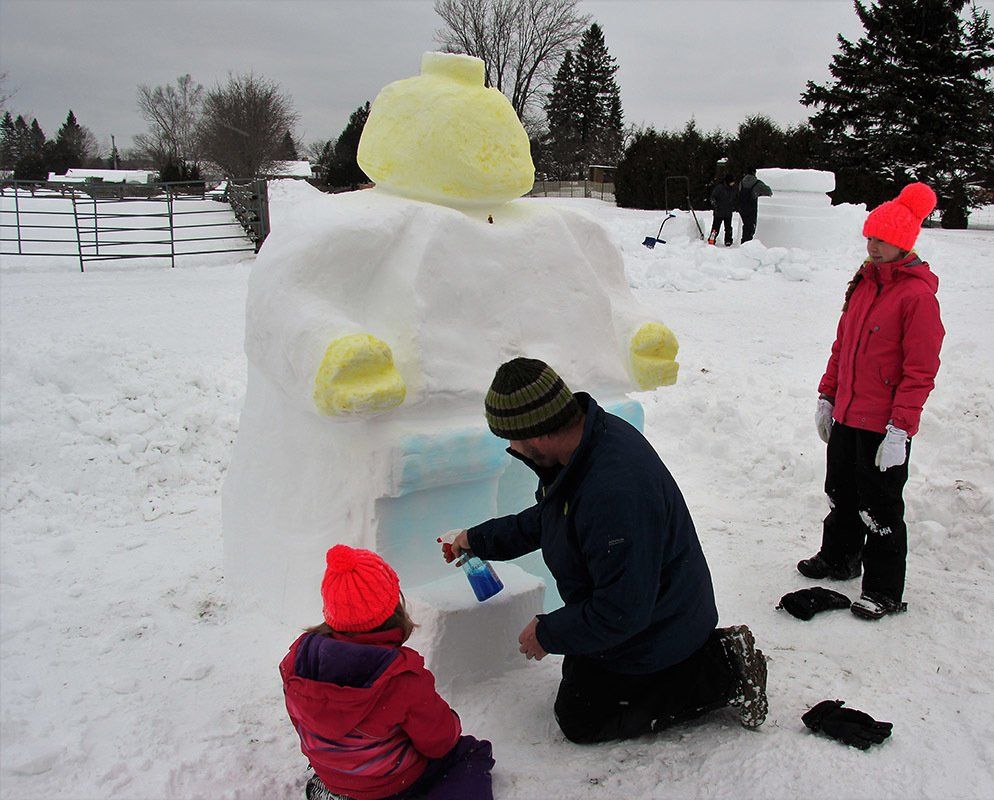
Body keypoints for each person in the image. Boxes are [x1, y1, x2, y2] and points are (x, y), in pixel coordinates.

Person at [444, 357, 767, 743]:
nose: (512, 449)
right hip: (646, 606)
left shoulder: (612, 491)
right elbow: (552, 520)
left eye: (512, 439)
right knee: (582, 676)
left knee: (582, 717)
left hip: (659, 623)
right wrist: (476, 539)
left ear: (537, 434)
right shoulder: (585, 446)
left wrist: (549, 633)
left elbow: (622, 610)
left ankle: (724, 669)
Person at [798, 182, 944, 621]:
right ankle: (840, 558)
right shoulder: (863, 284)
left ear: (904, 242)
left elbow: (920, 371)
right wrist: (828, 396)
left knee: (879, 509)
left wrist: (901, 429)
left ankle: (883, 590)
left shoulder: (917, 297)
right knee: (841, 493)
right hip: (848, 414)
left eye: (882, 239)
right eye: (870, 237)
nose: (873, 246)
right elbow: (842, 346)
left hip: (884, 425)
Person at [281, 544, 495, 800]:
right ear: (392, 608)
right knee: (471, 752)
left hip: (332, 773)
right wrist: (451, 721)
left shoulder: (298, 658)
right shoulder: (401, 677)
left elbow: (304, 723)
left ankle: (338, 790)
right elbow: (440, 742)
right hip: (389, 784)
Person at [736, 168, 773, 243]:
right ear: (754, 173)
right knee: (751, 227)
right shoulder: (757, 183)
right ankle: (748, 242)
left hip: (742, 207)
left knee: (746, 225)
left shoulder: (741, 182)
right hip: (751, 208)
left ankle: (744, 241)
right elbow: (769, 191)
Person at [708, 174, 738, 246]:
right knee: (715, 227)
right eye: (732, 182)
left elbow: (735, 198)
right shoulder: (719, 188)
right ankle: (712, 239)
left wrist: (735, 205)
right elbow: (712, 197)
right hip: (719, 212)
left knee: (728, 228)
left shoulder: (734, 189)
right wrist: (715, 205)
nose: (733, 183)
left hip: (728, 212)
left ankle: (728, 240)